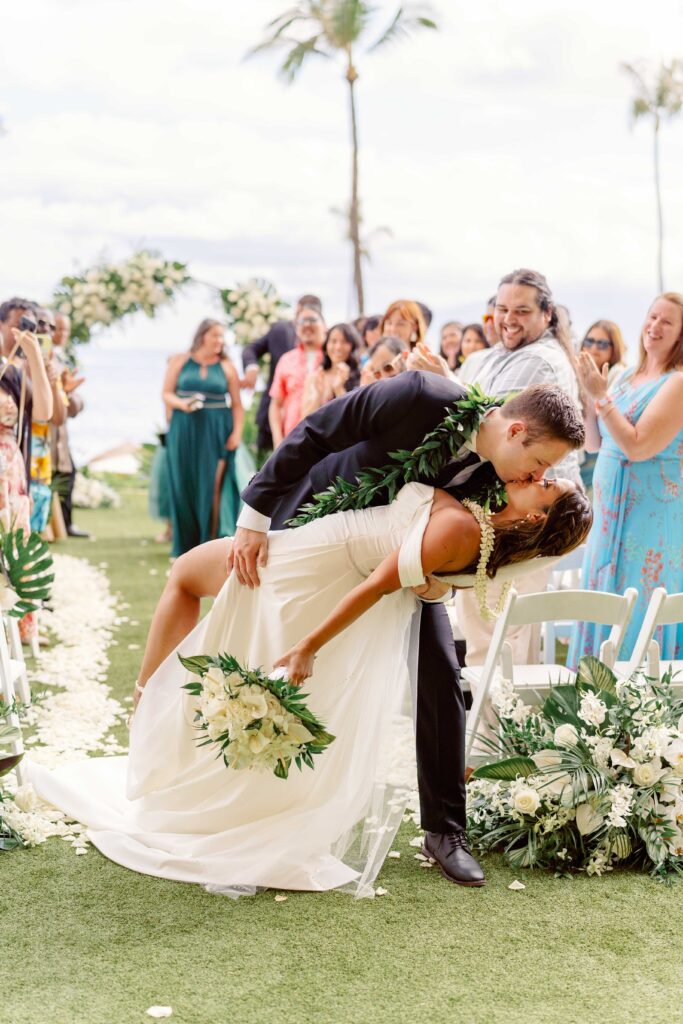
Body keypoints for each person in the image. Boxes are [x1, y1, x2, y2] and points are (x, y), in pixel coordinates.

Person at [27, 471, 590, 896]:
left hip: (316, 564)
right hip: (326, 554)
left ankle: (152, 704)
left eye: (546, 483)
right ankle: (183, 743)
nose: (537, 475)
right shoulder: (485, 509)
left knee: (193, 586)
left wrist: (309, 646)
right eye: (544, 469)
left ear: (538, 518)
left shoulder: (466, 529)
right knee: (241, 656)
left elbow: (380, 583)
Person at [229, 376, 585, 886]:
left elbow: (466, 550)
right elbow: (316, 432)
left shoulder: (506, 482)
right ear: (517, 431)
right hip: (322, 523)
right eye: (542, 462)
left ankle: (445, 830)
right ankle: (256, 790)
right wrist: (256, 515)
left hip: (400, 566)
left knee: (442, 672)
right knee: (271, 640)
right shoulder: (420, 396)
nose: (541, 473)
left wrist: (440, 587)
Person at [453, 269, 583, 668]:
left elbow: (479, 427)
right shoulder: (486, 357)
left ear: (547, 314)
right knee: (483, 640)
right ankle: (488, 728)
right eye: (502, 307)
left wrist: (443, 380)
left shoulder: (540, 361)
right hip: (495, 514)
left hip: (529, 518)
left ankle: (504, 730)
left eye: (522, 310)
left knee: (505, 641)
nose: (508, 318)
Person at [569, 293, 683, 665]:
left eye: (667, 321)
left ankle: (639, 712)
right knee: (603, 600)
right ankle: (590, 708)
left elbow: (638, 447)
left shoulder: (677, 382)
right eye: (652, 317)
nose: (655, 326)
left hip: (646, 522)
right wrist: (591, 400)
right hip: (606, 518)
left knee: (637, 603)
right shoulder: (628, 377)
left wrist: (602, 400)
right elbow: (593, 442)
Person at [163, 319, 243, 557]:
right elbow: (166, 393)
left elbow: (237, 404)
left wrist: (236, 432)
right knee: (182, 482)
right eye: (215, 335)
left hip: (217, 429)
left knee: (213, 485)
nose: (220, 341)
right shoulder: (179, 360)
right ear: (202, 336)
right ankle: (184, 545)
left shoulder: (227, 366)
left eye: (222, 337)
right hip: (184, 428)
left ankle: (209, 543)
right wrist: (181, 404)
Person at [0, 326, 54, 640]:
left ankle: (20, 625)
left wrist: (34, 356)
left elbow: (44, 412)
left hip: (13, 469)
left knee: (16, 550)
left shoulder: (14, 372)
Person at [241, 294, 322, 458]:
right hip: (276, 422)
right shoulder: (279, 330)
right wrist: (252, 368)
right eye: (300, 317)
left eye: (311, 318)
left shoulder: (327, 350)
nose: (304, 323)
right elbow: (251, 349)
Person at [49, 312, 88, 537]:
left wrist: (68, 394)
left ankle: (65, 524)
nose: (62, 334)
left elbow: (75, 405)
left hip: (60, 427)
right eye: (58, 328)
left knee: (68, 474)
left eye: (66, 330)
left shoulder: (62, 359)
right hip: (45, 430)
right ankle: (58, 525)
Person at [578, 320, 628, 490]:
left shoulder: (620, 377)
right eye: (589, 341)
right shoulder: (576, 371)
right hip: (579, 451)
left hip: (598, 456)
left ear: (614, 349)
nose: (593, 348)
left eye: (602, 344)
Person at [268, 305, 325, 446]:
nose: (307, 325)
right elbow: (275, 405)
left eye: (312, 319)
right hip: (292, 438)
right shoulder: (286, 360)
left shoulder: (332, 357)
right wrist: (277, 440)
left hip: (326, 437)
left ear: (324, 325)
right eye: (302, 321)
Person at [301, 323, 361, 417]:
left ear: (353, 346)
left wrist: (339, 389)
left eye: (344, 342)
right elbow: (304, 419)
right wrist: (318, 395)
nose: (338, 347)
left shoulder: (361, 378)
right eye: (333, 341)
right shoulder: (315, 377)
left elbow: (354, 419)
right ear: (326, 345)